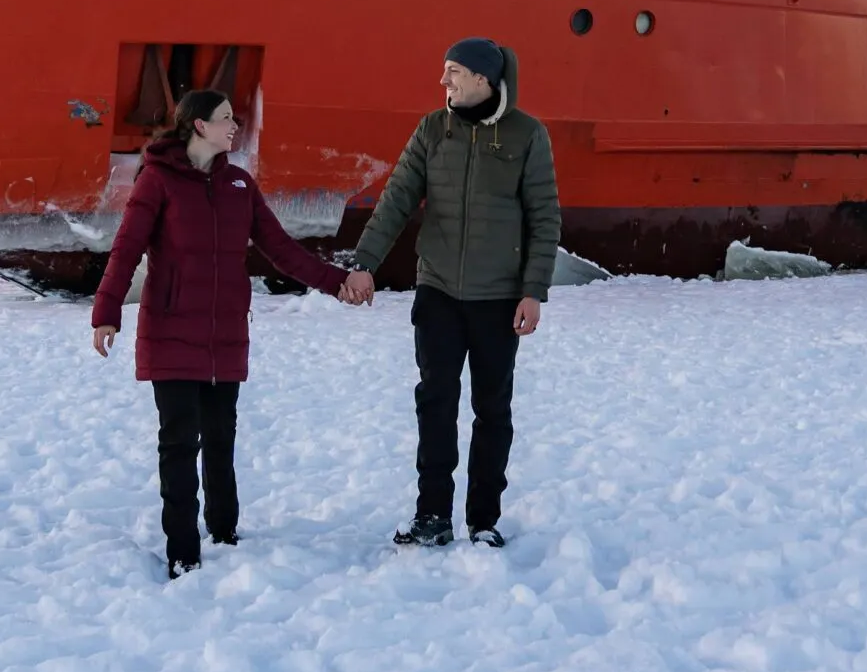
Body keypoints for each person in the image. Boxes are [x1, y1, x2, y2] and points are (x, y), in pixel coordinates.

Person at [91, 87, 369, 575]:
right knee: (179, 444)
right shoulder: (157, 181)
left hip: (225, 335)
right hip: (171, 330)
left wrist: (338, 281)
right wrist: (107, 311)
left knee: (221, 438)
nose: (234, 127)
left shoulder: (238, 184)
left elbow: (281, 249)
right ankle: (183, 553)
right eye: (225, 119)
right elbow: (126, 248)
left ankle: (224, 533)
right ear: (200, 125)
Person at [349, 38, 559, 549]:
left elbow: (544, 216)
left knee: (493, 411)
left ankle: (483, 519)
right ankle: (432, 515)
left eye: (454, 72)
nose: (444, 81)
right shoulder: (431, 129)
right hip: (438, 290)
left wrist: (533, 290)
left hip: (499, 298)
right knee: (436, 403)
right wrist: (364, 263)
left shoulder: (527, 134)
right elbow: (397, 198)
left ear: (483, 79)